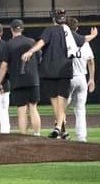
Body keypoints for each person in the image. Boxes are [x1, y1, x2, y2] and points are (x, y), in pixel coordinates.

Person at [21, 9, 84, 139]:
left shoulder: (49, 30)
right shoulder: (70, 32)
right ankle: (60, 129)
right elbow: (83, 39)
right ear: (64, 19)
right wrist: (93, 35)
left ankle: (60, 129)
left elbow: (41, 43)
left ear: (54, 19)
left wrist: (30, 51)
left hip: (48, 71)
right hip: (64, 71)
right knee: (61, 103)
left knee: (55, 103)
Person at [0, 19, 42, 136]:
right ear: (22, 29)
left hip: (17, 81)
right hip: (33, 80)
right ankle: (37, 135)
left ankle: (24, 137)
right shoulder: (32, 42)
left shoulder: (9, 44)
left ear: (11, 29)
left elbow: (4, 65)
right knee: (33, 108)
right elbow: (39, 60)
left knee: (22, 110)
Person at [67, 18, 98, 142]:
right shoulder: (85, 42)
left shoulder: (65, 42)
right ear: (77, 28)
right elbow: (90, 61)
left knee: (61, 108)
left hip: (68, 78)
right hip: (82, 78)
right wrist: (91, 79)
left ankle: (61, 132)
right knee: (80, 109)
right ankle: (81, 137)